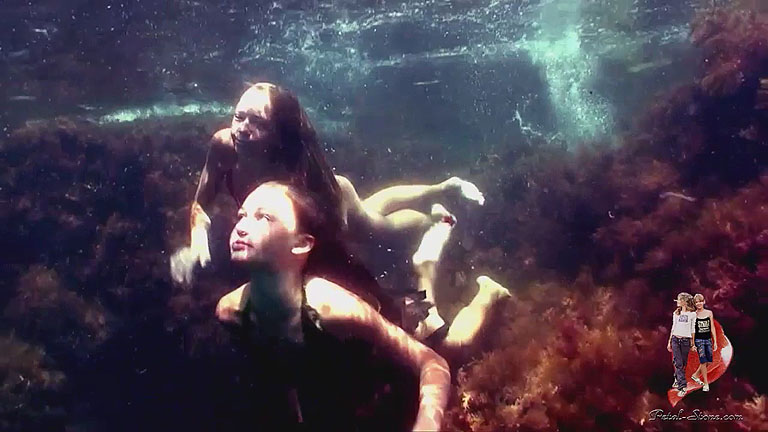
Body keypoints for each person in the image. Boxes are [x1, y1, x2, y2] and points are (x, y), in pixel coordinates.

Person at [171, 82, 485, 337]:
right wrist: (196, 238)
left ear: (280, 134)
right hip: (329, 200)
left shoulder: (300, 175)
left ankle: (437, 203)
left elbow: (332, 257)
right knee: (372, 209)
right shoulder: (223, 147)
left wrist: (388, 303)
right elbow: (201, 201)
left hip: (335, 200)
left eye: (258, 123)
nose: (242, 129)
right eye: (239, 117)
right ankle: (438, 193)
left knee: (380, 230)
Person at [215, 181, 510, 429]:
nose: (241, 227)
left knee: (451, 347)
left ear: (302, 244)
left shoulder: (332, 308)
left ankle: (486, 291)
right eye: (242, 215)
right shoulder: (231, 313)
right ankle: (425, 262)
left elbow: (432, 363)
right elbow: (283, 372)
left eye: (264, 218)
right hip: (355, 369)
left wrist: (426, 425)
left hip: (392, 319)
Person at [667, 292, 696, 397]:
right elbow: (673, 327)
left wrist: (692, 343)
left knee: (682, 363)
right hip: (675, 339)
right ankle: (682, 387)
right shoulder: (676, 313)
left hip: (685, 340)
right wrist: (670, 341)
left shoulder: (692, 314)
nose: (677, 302)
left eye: (679, 300)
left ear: (684, 302)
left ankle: (677, 377)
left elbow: (693, 329)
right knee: (678, 363)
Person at [690, 293, 717, 392]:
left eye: (700, 301)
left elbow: (712, 327)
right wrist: (692, 343)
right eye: (696, 302)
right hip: (699, 340)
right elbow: (692, 330)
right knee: (703, 360)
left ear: (704, 302)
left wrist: (715, 341)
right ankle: (706, 383)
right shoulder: (694, 315)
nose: (698, 304)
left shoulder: (709, 313)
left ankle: (695, 375)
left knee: (709, 361)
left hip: (708, 339)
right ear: (694, 304)